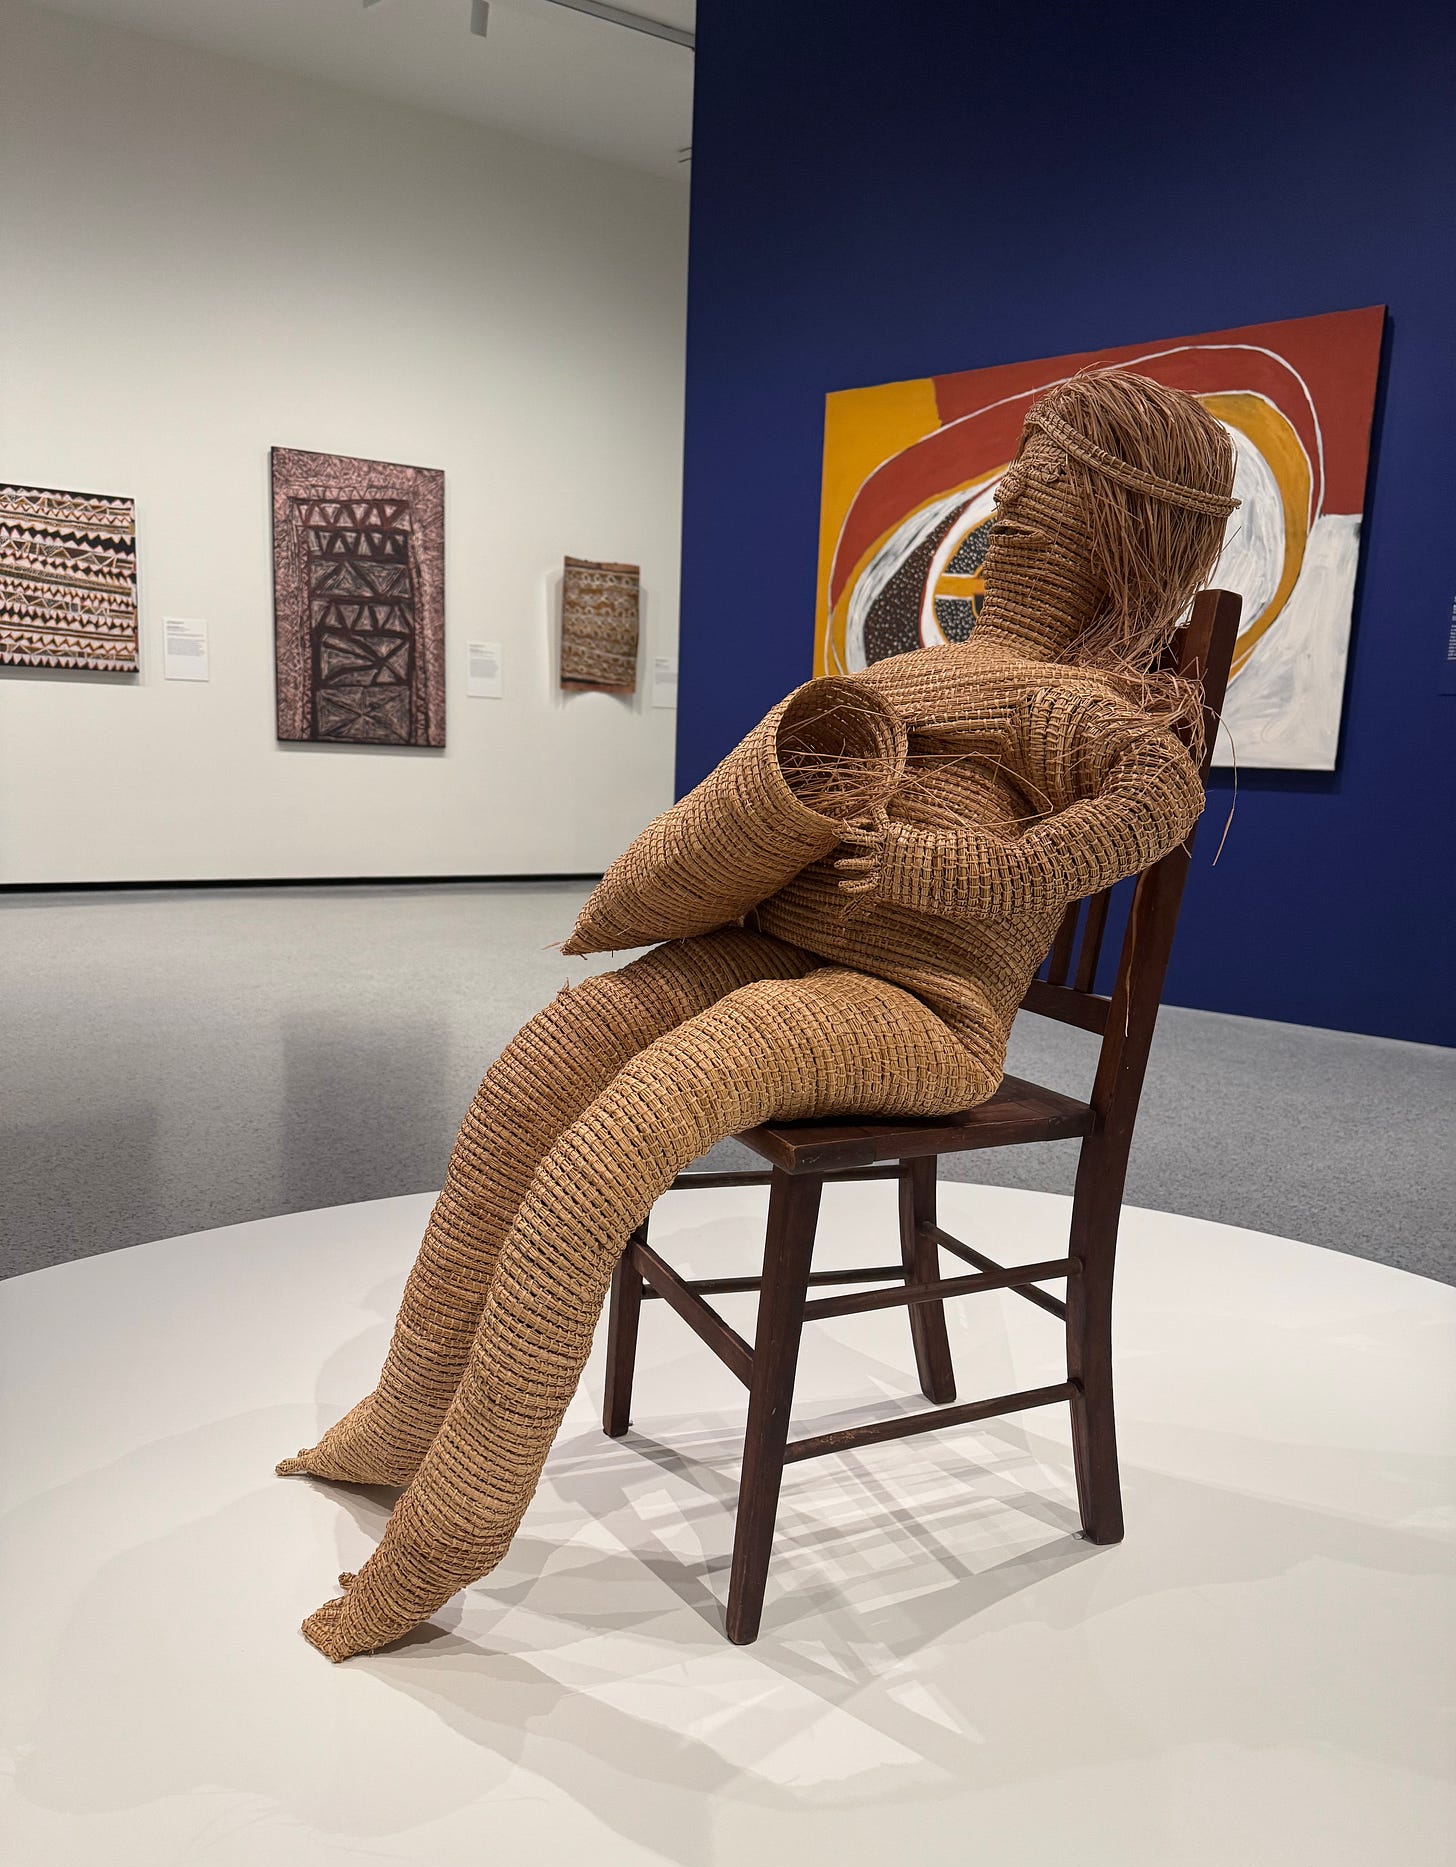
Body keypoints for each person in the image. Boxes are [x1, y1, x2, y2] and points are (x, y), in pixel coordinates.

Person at [278, 367, 1239, 1661]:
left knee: (619, 1138)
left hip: (925, 1010)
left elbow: (1160, 801)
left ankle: (448, 1534)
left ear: (1123, 520)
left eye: (1048, 478)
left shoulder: (1079, 708)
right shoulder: (927, 672)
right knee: (541, 1067)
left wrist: (963, 872)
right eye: (1020, 468)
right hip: (782, 947)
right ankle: (404, 1419)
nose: (1009, 497)